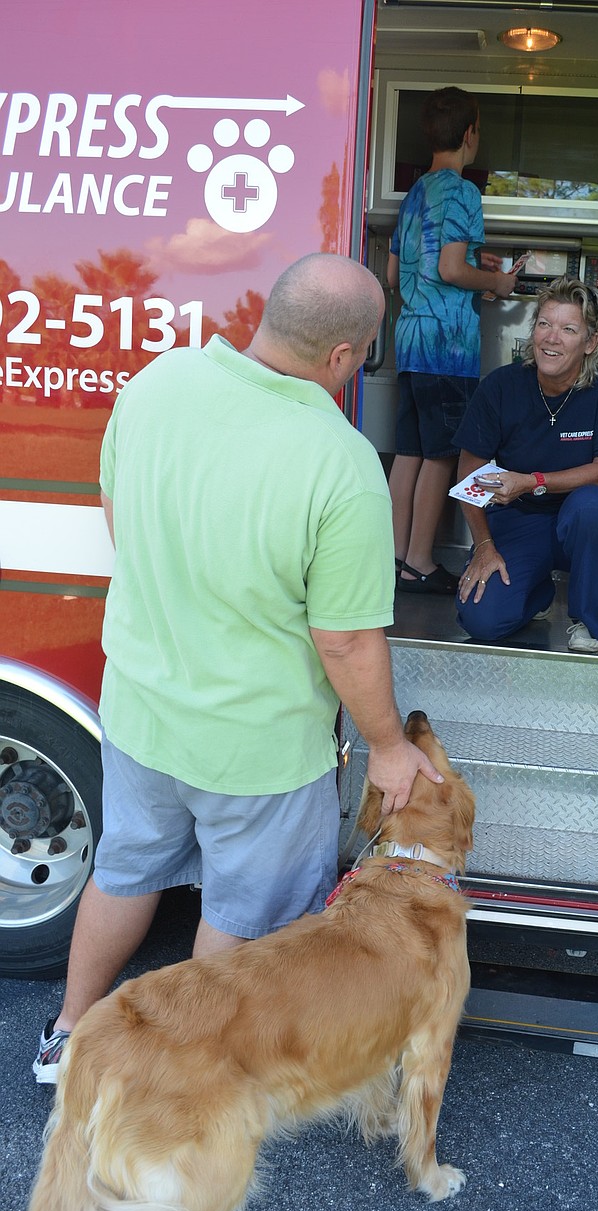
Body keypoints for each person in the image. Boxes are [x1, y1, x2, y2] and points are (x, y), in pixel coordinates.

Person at [32, 253, 443, 1085]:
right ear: (342, 357)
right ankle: (183, 1072)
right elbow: (347, 642)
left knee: (123, 868)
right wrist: (390, 747)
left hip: (142, 713)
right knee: (238, 911)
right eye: (363, 350)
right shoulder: (341, 461)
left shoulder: (158, 383)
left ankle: (69, 1036)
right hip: (256, 750)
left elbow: (120, 511)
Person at [453, 277, 598, 652]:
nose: (552, 338)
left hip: (589, 521)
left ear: (590, 343)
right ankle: (536, 591)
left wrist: (530, 481)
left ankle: (588, 622)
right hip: (521, 520)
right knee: (481, 620)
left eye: (568, 329)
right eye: (544, 324)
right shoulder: (501, 386)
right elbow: (468, 472)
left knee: (589, 506)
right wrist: (484, 546)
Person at [387, 85, 516, 595]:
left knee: (409, 453)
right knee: (443, 455)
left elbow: (398, 274)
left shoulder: (415, 193)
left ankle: (396, 559)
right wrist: (498, 282)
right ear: (470, 134)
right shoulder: (462, 193)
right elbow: (449, 267)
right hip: (447, 345)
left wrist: (468, 269)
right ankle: (421, 561)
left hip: (410, 339)